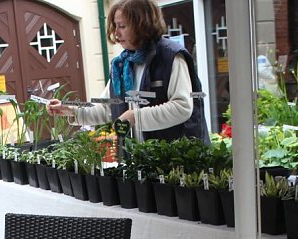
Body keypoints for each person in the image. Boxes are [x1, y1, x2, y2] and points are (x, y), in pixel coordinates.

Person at [47, 0, 207, 142]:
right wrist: (71, 110)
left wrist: (135, 117)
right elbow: (108, 107)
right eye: (115, 26)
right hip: (140, 159)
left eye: (122, 26)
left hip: (176, 160)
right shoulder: (121, 64)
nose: (116, 33)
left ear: (142, 25)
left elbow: (183, 107)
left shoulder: (171, 56)